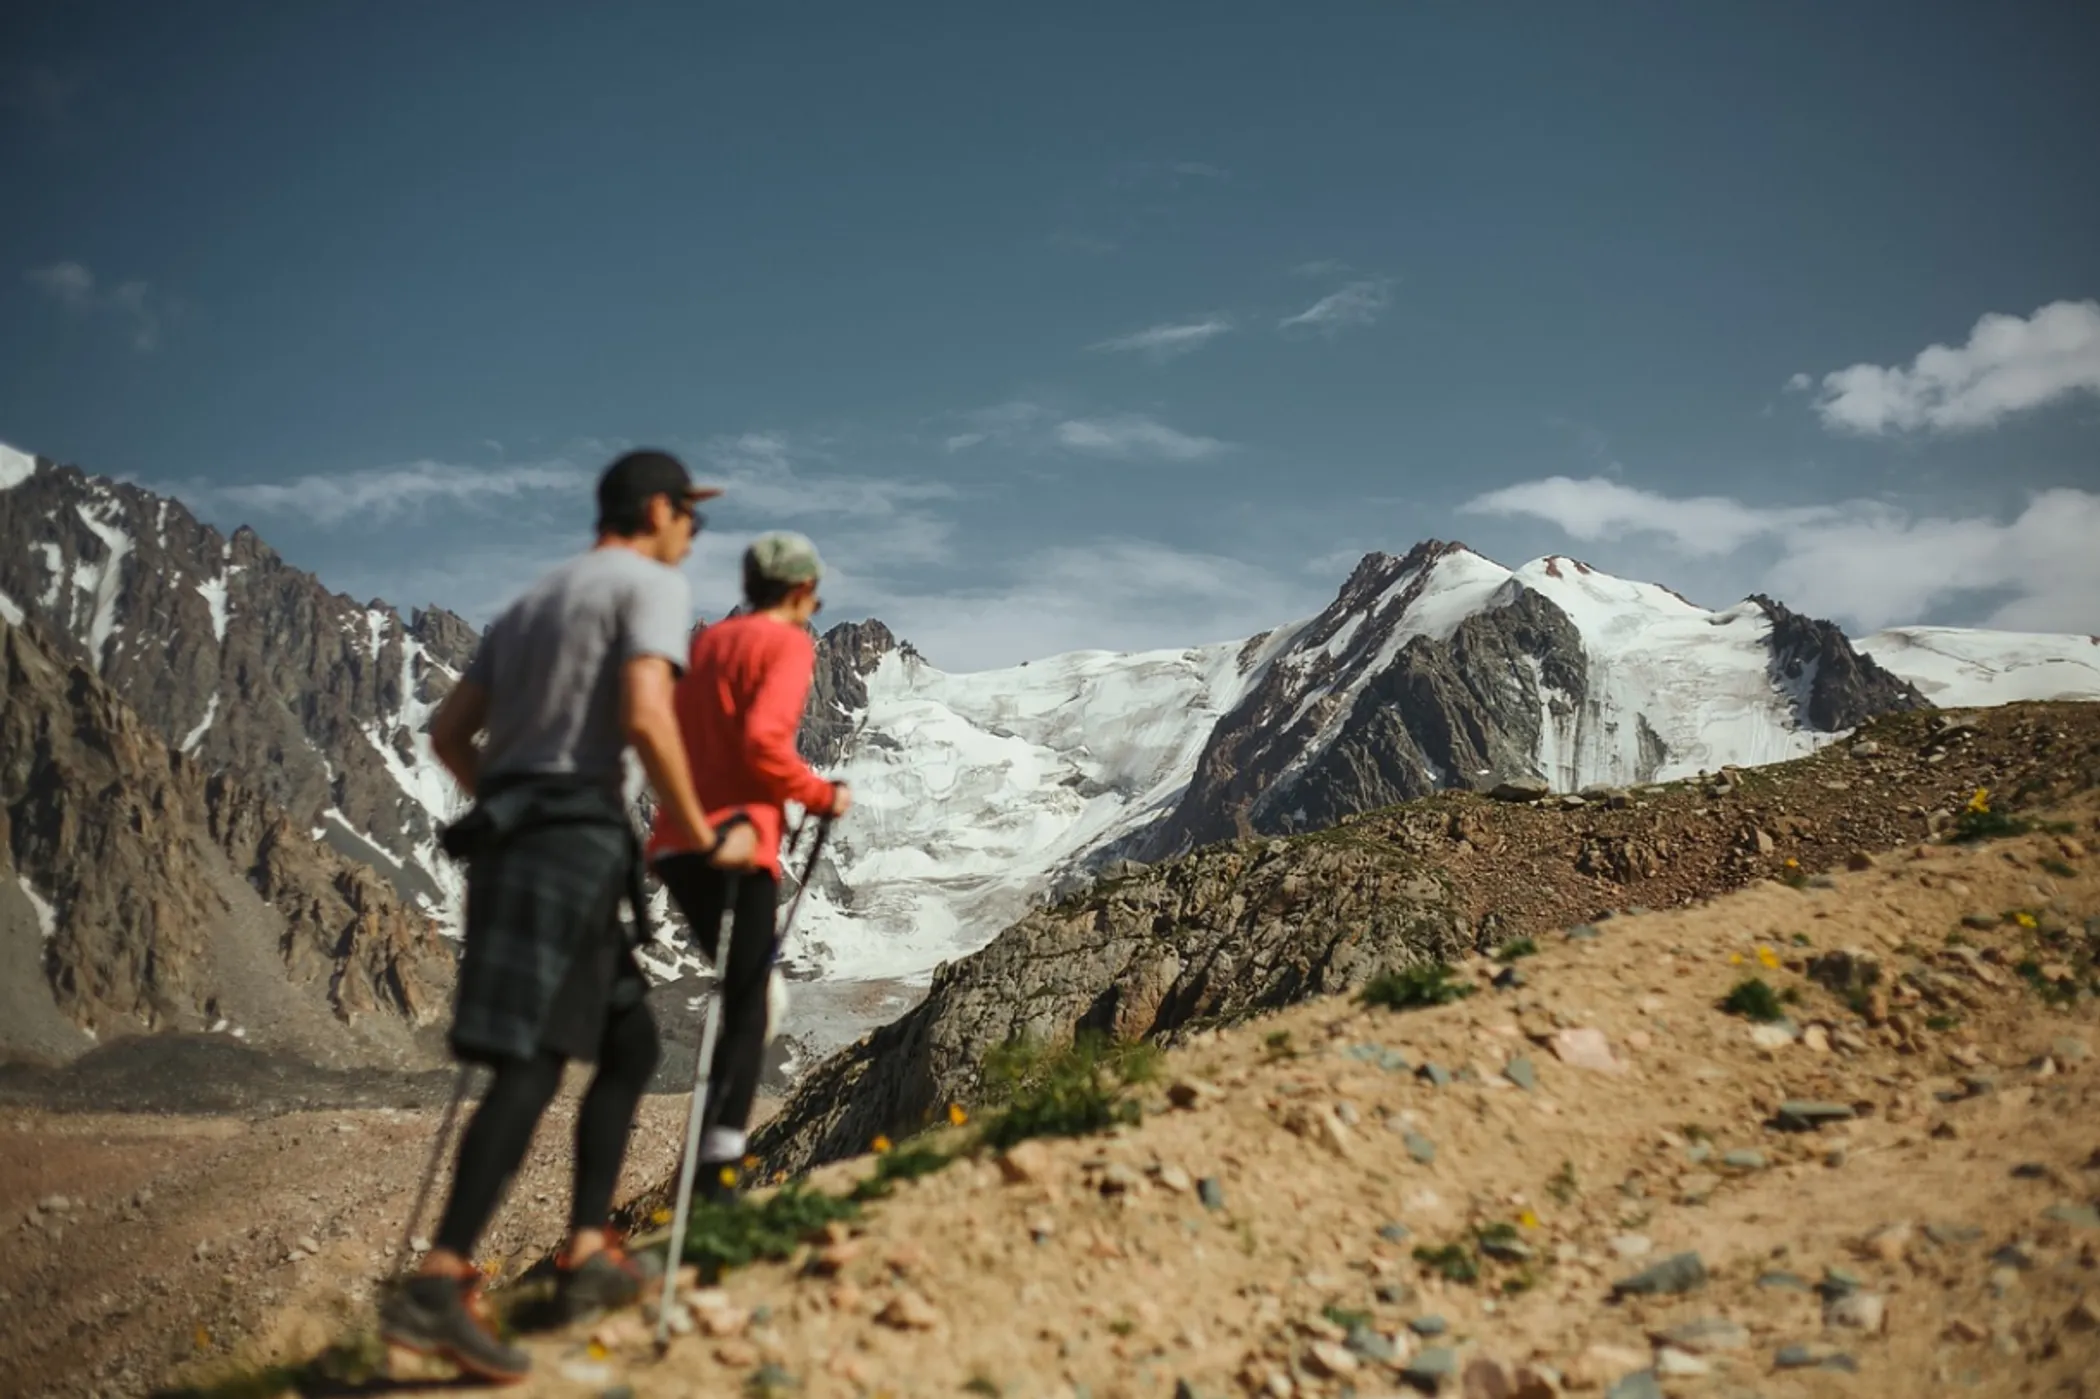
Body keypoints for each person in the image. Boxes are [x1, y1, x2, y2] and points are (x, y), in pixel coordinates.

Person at [378, 449, 756, 1384]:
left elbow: (445, 735)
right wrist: (704, 837)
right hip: (574, 841)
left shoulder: (535, 599)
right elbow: (643, 714)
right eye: (691, 518)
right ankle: (442, 1278)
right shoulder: (648, 586)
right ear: (658, 511)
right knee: (539, 1060)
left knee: (625, 1043)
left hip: (515, 839)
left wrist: (512, 796)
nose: (696, 535)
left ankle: (585, 1250)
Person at [647, 530, 851, 1205]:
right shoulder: (789, 643)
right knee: (752, 1001)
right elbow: (765, 741)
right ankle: (717, 1170)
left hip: (677, 844)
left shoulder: (704, 646)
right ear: (799, 591)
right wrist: (822, 795)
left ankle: (710, 1161)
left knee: (744, 996)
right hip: (741, 846)